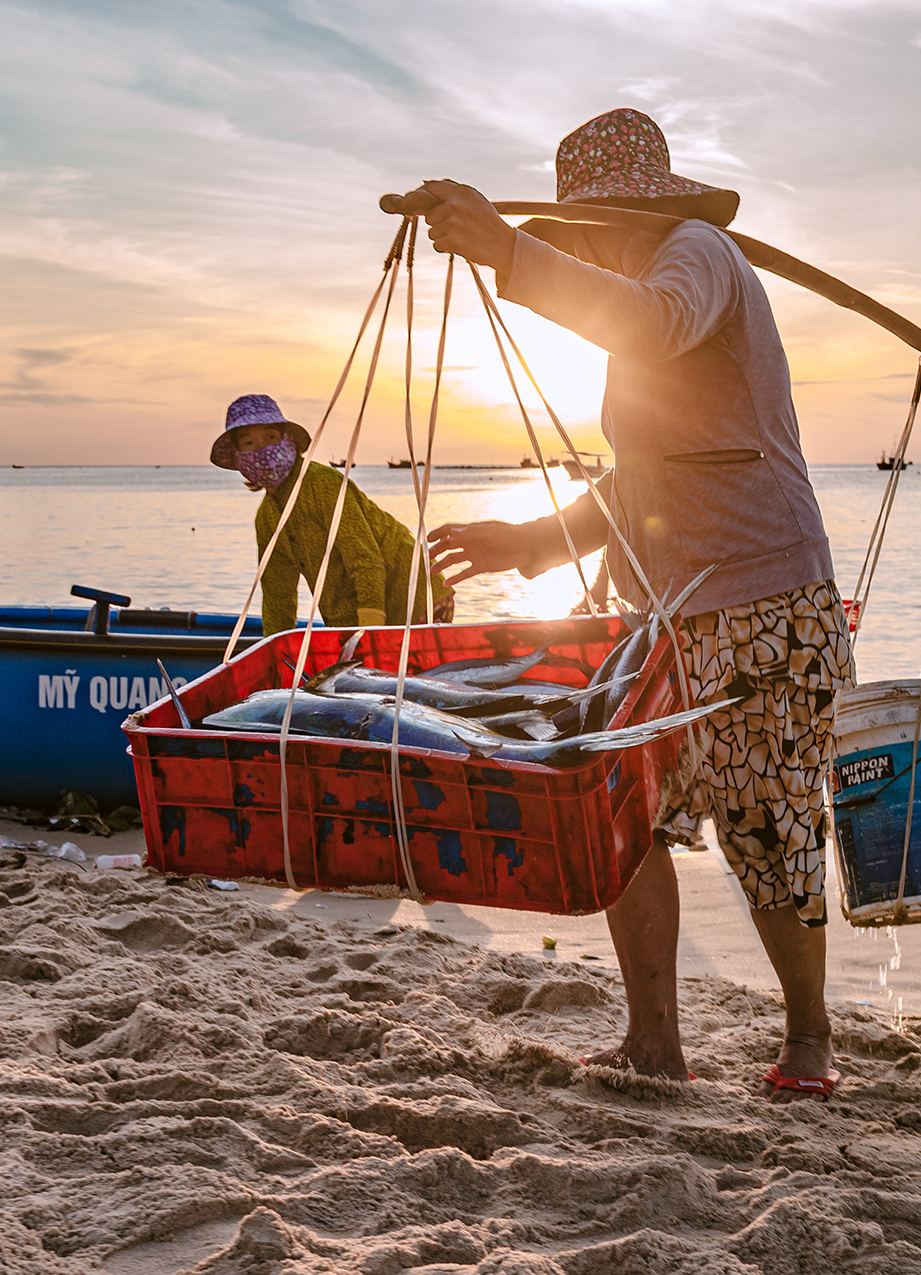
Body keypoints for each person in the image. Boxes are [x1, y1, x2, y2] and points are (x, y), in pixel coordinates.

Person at [420, 108, 853, 1101]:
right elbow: (637, 489)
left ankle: (808, 1041)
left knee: (766, 827)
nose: (591, 246)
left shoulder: (694, 258)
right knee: (628, 824)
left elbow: (651, 320)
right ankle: (652, 1038)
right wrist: (523, 542)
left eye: (591, 230)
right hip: (666, 618)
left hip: (761, 602)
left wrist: (507, 252)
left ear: (635, 212)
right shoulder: (640, 294)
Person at [210, 394, 452, 636]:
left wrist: (368, 630)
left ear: (288, 440)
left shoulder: (323, 483)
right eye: (249, 443)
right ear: (238, 456)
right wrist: (274, 651)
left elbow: (364, 559)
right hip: (355, 615)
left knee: (404, 671)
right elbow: (277, 593)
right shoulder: (267, 518)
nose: (262, 449)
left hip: (417, 594)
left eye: (270, 437)